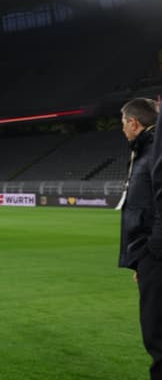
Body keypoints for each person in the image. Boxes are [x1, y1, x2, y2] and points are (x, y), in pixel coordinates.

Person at [125, 97, 162, 380]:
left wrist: (149, 255)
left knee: (157, 336)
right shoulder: (145, 152)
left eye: (123, 124)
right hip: (149, 257)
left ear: (134, 123)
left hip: (155, 258)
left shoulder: (151, 154)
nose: (123, 130)